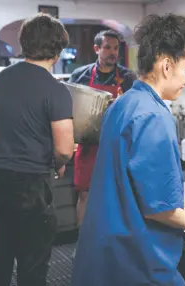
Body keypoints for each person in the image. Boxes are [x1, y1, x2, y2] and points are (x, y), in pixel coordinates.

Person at [72, 14, 185, 286]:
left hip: (106, 248)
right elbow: (159, 209)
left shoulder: (124, 103)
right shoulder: (153, 116)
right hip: (136, 258)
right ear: (166, 65)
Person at [0, 13, 74, 286]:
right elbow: (66, 149)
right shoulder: (55, 90)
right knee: (32, 263)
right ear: (57, 49)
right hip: (30, 186)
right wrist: (57, 160)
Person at [68, 30, 136, 225]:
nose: (113, 52)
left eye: (116, 48)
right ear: (97, 49)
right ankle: (83, 244)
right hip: (88, 145)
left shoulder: (127, 77)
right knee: (85, 196)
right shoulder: (80, 75)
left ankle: (111, 245)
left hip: (117, 145)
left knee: (116, 197)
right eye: (107, 47)